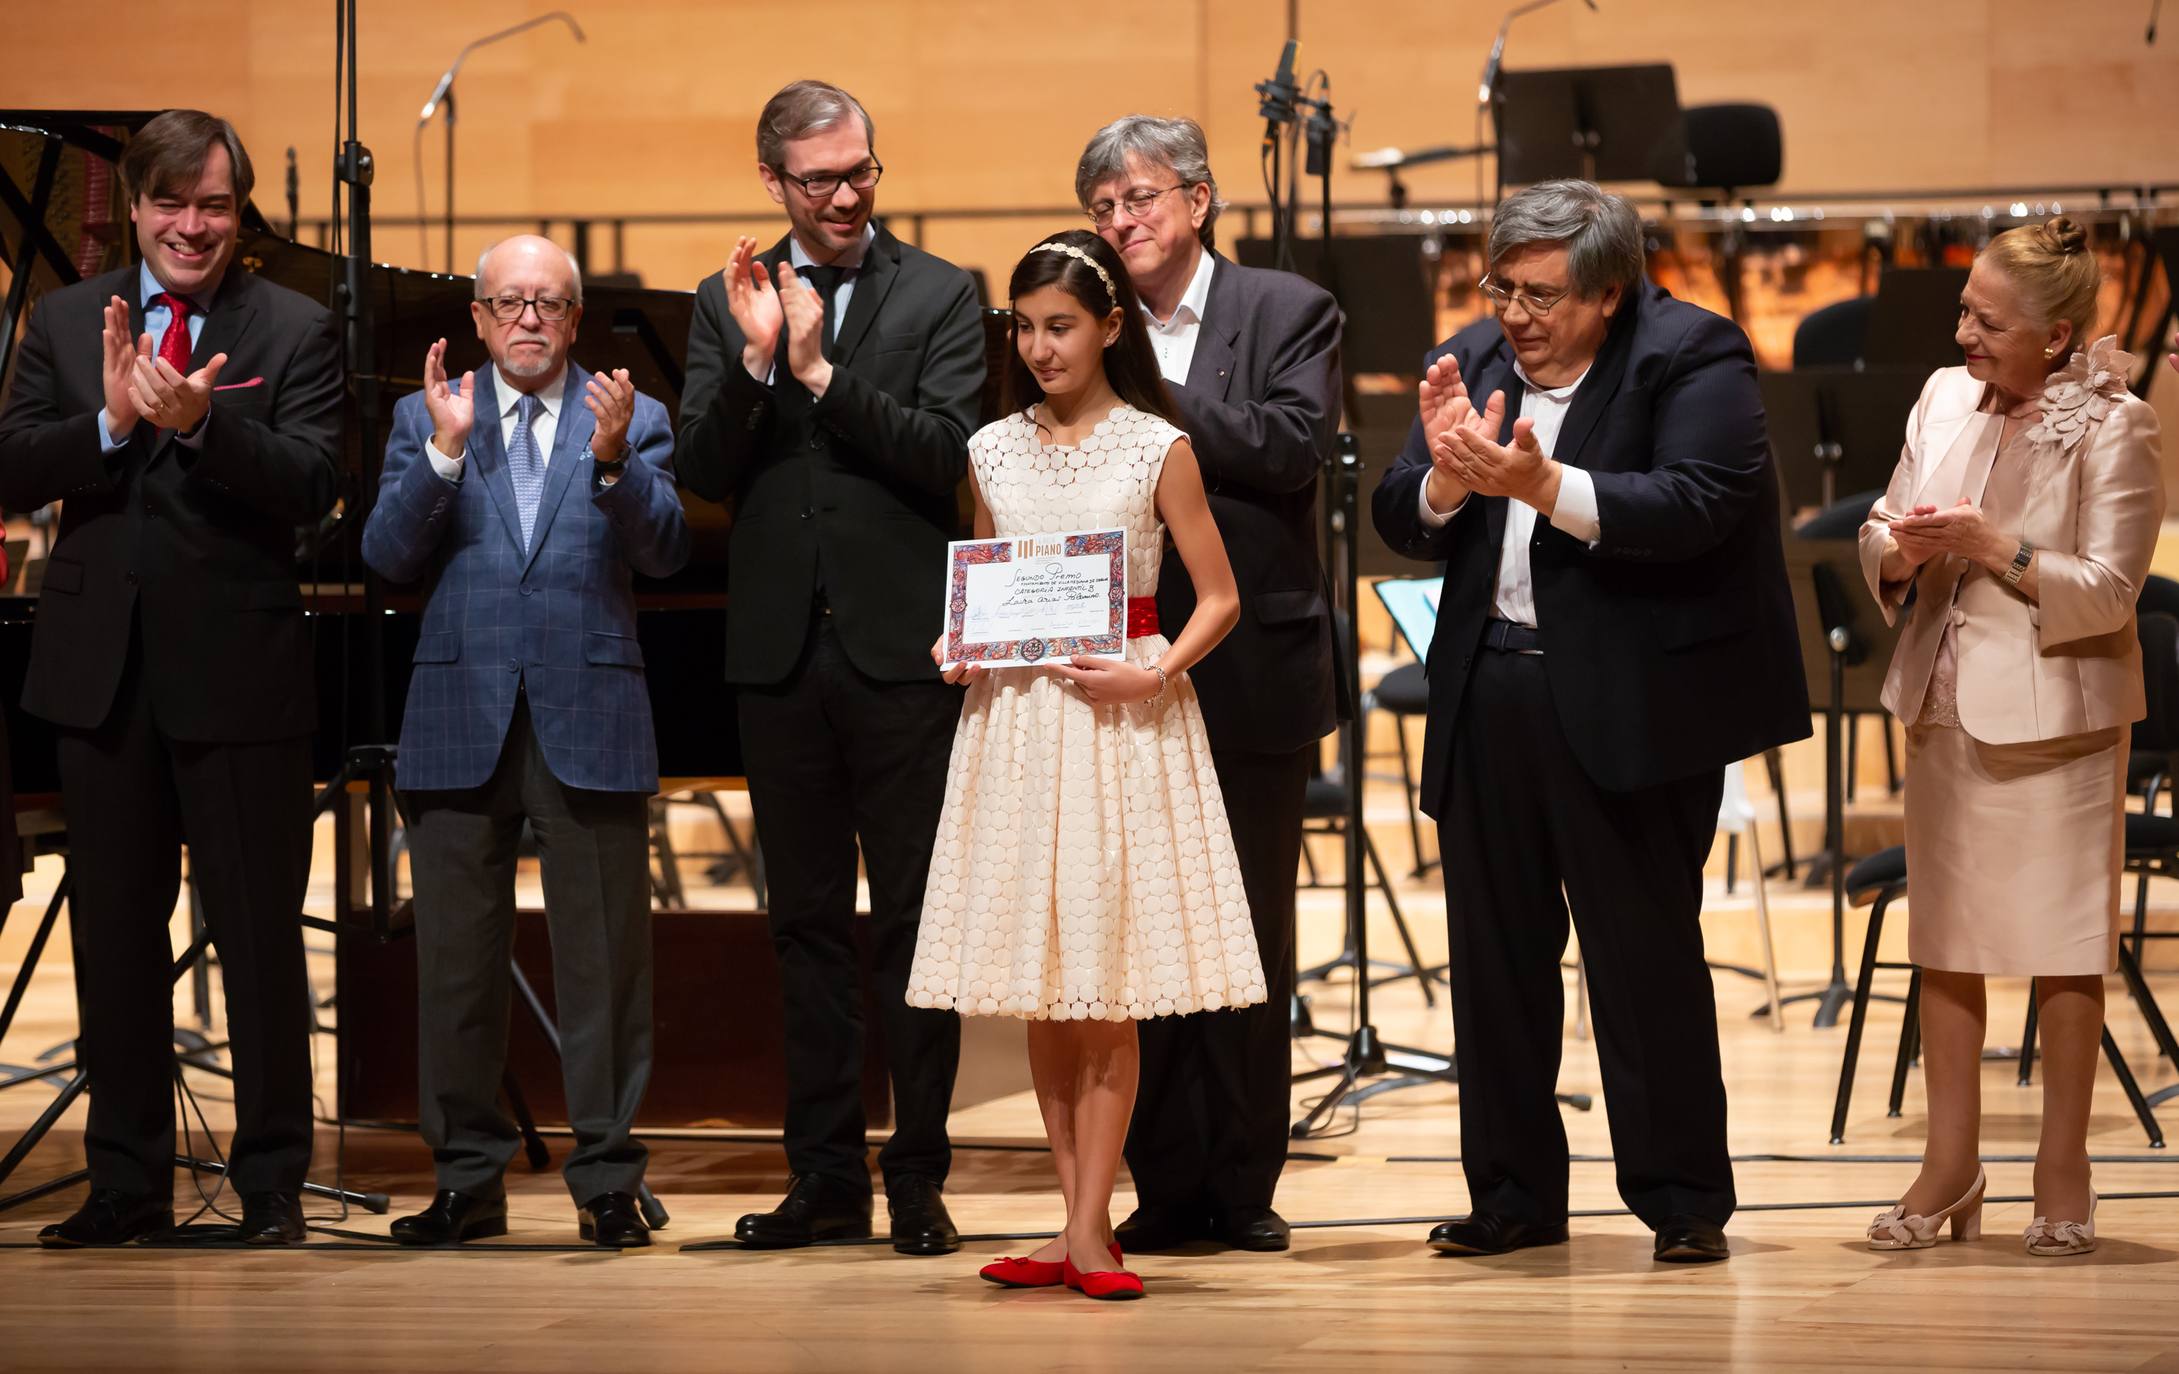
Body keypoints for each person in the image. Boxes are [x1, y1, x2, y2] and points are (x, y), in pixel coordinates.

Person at [1371, 179, 1809, 1265]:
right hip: (1490, 694)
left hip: (1629, 702)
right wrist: (1441, 480)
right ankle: (1513, 1196)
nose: (1515, 315)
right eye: (1502, 288)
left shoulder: (1691, 353)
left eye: (1541, 295)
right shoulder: (1473, 355)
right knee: (1495, 962)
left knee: (1641, 958)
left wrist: (1540, 482)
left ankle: (1681, 1201)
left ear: (1611, 291)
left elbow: (1700, 501)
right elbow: (1394, 510)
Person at [0, 109, 342, 1247]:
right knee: (114, 938)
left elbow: (316, 482)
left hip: (239, 670)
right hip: (98, 676)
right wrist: (106, 418)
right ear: (135, 208)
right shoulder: (57, 319)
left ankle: (274, 1186)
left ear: (239, 217)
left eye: (216, 205)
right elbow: (9, 465)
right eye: (172, 203)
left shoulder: (290, 324)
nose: (192, 225)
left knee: (254, 938)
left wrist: (202, 427)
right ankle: (125, 1183)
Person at [907, 229, 1262, 1300]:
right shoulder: (991, 449)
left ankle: (1090, 1230)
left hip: (1119, 723)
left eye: (1059, 325)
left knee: (1102, 987)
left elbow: (1222, 597)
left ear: (1111, 327)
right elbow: (985, 585)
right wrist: (955, 645)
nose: (1039, 346)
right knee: (1043, 991)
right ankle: (1073, 1227)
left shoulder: (1157, 447)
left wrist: (1150, 675)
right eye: (1024, 326)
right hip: (1018, 730)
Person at [676, 79, 986, 1254]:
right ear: (774, 186)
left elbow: (945, 453)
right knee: (802, 923)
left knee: (916, 924)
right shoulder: (725, 300)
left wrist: (817, 377)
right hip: (776, 652)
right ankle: (824, 1180)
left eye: (862, 171)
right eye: (822, 180)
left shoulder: (942, 293)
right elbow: (705, 467)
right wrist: (757, 365)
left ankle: (916, 1177)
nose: (849, 194)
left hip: (900, 651)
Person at [361, 235, 690, 1248]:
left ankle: (604, 1181)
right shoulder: (427, 413)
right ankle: (465, 1181)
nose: (528, 320)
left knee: (605, 963)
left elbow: (668, 551)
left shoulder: (633, 417)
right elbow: (385, 556)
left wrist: (611, 463)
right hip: (459, 715)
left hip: (590, 714)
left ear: (575, 316)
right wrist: (446, 457)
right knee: (456, 967)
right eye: (507, 303)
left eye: (547, 303)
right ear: (477, 317)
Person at [1857, 218, 2163, 1257]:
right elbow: (1882, 520)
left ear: (2059, 333)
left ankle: (2062, 1172)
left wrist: (1996, 547)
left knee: (2062, 946)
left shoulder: (2119, 424)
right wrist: (1894, 554)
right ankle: (1952, 1165)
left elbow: (2112, 593)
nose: (1964, 334)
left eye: (1987, 321)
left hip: (2058, 719)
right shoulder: (1944, 395)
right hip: (1943, 701)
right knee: (1943, 942)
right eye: (1963, 311)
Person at [1074, 114, 1340, 1255]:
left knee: (1245, 938)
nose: (1120, 221)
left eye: (1137, 198)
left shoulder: (1288, 309)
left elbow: (1288, 447)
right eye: (1102, 207)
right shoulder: (1082, 321)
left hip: (1249, 666)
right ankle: (1165, 1181)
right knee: (1141, 938)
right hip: (1116, 663)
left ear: (1197, 198)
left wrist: (1138, 400)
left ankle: (1243, 1183)